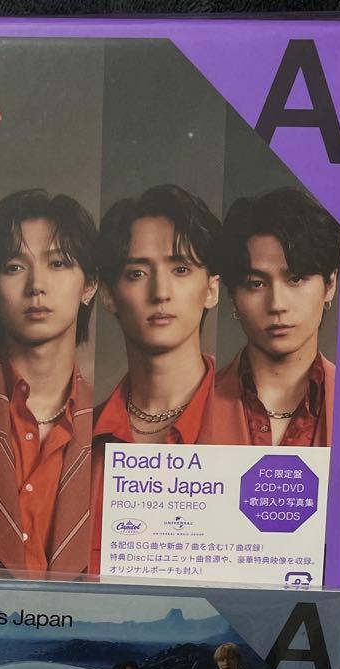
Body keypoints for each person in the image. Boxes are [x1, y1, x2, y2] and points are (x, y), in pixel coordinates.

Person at [89, 185, 221, 574]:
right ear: (109, 296)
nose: (160, 292)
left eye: (180, 270)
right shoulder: (80, 442)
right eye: (137, 273)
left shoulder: (253, 425)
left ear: (211, 290)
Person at [0, 189, 99, 575]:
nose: (36, 285)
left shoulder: (108, 420)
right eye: (14, 267)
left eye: (58, 263)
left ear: (89, 285)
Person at [200, 187, 340, 447]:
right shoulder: (195, 409)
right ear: (233, 296)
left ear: (330, 284)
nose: (277, 304)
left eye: (296, 279)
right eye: (256, 284)